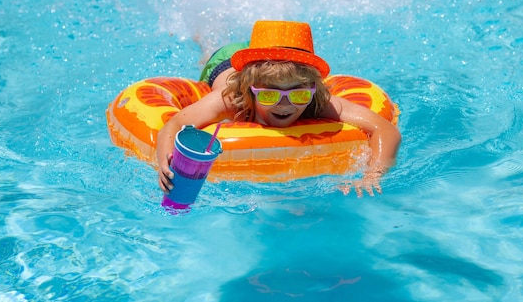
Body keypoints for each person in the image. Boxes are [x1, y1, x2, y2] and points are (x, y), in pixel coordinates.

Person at [156, 20, 401, 196]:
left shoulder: (319, 102)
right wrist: (165, 165)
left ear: (313, 88)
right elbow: (175, 125)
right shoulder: (232, 99)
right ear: (250, 89)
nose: (285, 104)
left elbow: (386, 131)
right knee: (208, 51)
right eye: (270, 95)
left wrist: (372, 176)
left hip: (263, 54)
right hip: (226, 63)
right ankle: (203, 38)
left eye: (300, 93)